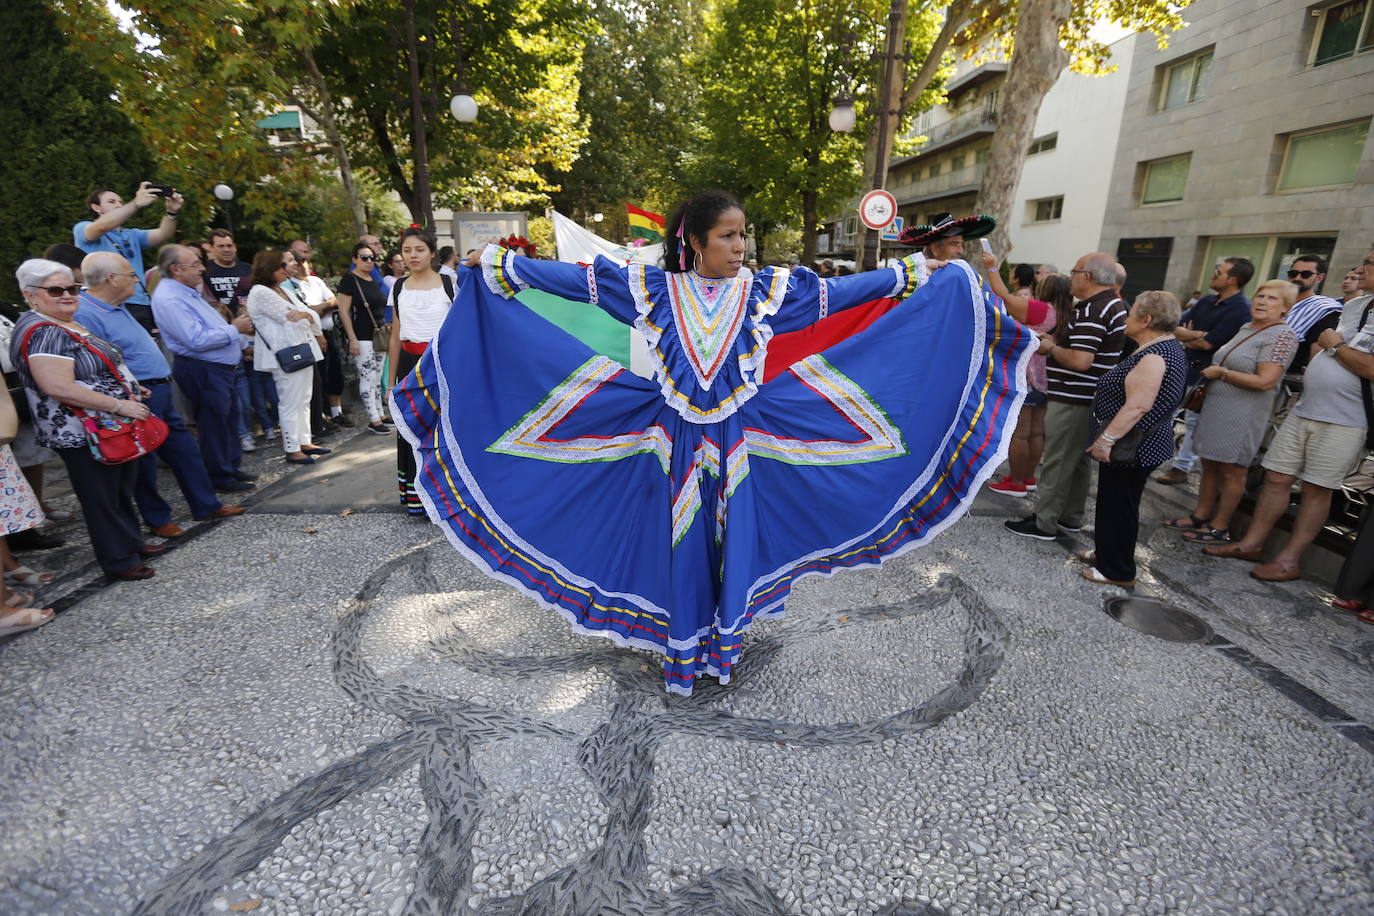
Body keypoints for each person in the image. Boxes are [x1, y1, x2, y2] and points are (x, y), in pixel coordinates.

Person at [402, 189, 1031, 694]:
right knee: (681, 540)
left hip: (739, 445)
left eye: (742, 234)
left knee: (730, 541)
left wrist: (914, 274)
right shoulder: (651, 288)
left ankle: (718, 646)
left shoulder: (766, 294)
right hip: (670, 446)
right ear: (695, 242)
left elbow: (843, 293)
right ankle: (683, 646)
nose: (739, 245)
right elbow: (574, 281)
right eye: (727, 236)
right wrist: (505, 265)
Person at [1204, 249, 1374, 580]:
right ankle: (1251, 543)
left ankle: (1289, 560)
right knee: (1277, 476)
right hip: (1307, 406)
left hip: (1347, 418)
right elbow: (1328, 347)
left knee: (1315, 488)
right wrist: (1333, 348)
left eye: (1368, 263)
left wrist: (1335, 347)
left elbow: (1360, 361)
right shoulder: (1359, 305)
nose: (1360, 268)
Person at [9, 259, 165, 581]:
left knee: (119, 487)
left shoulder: (62, 321)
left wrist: (130, 389)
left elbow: (90, 369)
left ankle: (130, 544)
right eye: (56, 290)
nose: (67, 294)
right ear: (31, 295)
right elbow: (57, 386)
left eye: (72, 288)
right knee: (101, 495)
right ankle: (119, 559)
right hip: (83, 429)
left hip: (103, 423)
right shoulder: (44, 331)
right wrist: (120, 406)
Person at [76, 252, 244, 537]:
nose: (137, 280)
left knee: (186, 451)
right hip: (136, 394)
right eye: (131, 274)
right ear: (110, 278)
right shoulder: (86, 312)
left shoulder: (117, 305)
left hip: (159, 387)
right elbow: (97, 362)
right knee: (146, 462)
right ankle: (157, 518)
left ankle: (206, 504)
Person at [1161, 280, 1299, 543]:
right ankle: (1201, 516)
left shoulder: (1282, 335)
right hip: (1218, 406)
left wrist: (1222, 373)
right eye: (1260, 296)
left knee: (1233, 470)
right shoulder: (1247, 327)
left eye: (1272, 299)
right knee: (1210, 463)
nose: (1262, 302)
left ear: (1285, 308)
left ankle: (1220, 526)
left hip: (1244, 412)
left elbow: (1266, 381)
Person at [1006, 252, 1129, 540]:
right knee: (1077, 461)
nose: (1069, 277)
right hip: (1088, 395)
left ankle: (1044, 522)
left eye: (1074, 271)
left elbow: (1080, 360)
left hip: (1075, 396)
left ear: (1087, 276)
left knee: (1058, 460)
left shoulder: (1093, 309)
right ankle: (1070, 517)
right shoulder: (1110, 303)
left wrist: (1049, 348)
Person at [1077, 291, 1188, 586]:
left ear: (1147, 319)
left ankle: (1118, 570)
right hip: (1139, 444)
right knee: (1113, 501)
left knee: (1120, 505)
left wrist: (1106, 440)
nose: (1127, 318)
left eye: (1132, 312)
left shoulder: (1155, 356)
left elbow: (1138, 406)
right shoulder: (1162, 347)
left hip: (1133, 445)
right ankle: (1107, 552)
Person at [151, 244, 256, 493]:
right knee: (213, 424)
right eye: (195, 264)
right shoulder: (169, 297)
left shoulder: (187, 291)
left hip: (218, 367)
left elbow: (209, 325)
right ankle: (219, 475)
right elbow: (195, 339)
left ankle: (230, 467)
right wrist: (235, 330)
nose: (201, 268)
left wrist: (238, 341)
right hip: (203, 368)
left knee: (228, 419)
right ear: (176, 269)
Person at [979, 257, 1073, 497]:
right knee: (1036, 432)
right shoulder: (1067, 314)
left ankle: (1016, 482)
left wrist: (991, 266)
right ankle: (1028, 478)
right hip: (1048, 379)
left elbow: (1002, 294)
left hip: (1028, 376)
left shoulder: (1041, 309)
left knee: (1020, 433)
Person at [1157, 257, 1255, 485]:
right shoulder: (1206, 301)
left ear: (1232, 279)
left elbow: (1208, 345)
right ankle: (1153, 455)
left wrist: (1194, 336)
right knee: (1164, 413)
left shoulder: (1241, 310)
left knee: (1193, 422)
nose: (1212, 275)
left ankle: (1181, 468)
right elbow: (1174, 327)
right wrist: (1201, 334)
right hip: (1184, 367)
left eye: (1218, 272)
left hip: (1207, 375)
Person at [385, 227, 453, 514]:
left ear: (432, 253)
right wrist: (390, 382)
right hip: (409, 365)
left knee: (444, 430)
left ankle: (448, 497)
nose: (413, 255)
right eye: (407, 250)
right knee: (411, 429)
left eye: (419, 250)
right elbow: (395, 334)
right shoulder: (398, 286)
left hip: (441, 364)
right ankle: (418, 500)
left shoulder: (450, 283)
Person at [245, 250, 329, 464]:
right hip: (285, 353)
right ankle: (292, 448)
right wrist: (306, 316)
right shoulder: (260, 292)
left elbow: (306, 314)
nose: (286, 270)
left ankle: (304, 440)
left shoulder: (282, 289)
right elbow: (294, 319)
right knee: (290, 401)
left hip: (300, 348)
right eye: (281, 266)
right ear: (269, 269)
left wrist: (307, 315)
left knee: (304, 397)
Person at [73, 183, 184, 333]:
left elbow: (163, 234)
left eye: (121, 202)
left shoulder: (132, 235)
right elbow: (101, 227)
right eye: (112, 202)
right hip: (109, 304)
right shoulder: (82, 227)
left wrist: (171, 212)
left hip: (140, 304)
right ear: (96, 208)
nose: (119, 205)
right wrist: (136, 203)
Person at [335, 242, 393, 435]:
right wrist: (352, 338)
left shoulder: (372, 279)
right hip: (362, 336)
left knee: (376, 377)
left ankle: (380, 414)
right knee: (368, 377)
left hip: (378, 335)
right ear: (355, 259)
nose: (369, 261)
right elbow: (343, 310)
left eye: (372, 258)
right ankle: (373, 419)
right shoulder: (350, 280)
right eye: (364, 257)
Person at [1283, 255, 1342, 373]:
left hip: (1290, 377)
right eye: (1293, 273)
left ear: (1320, 277)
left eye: (1305, 274)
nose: (1298, 278)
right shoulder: (1276, 301)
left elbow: (1317, 351)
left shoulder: (1324, 309)